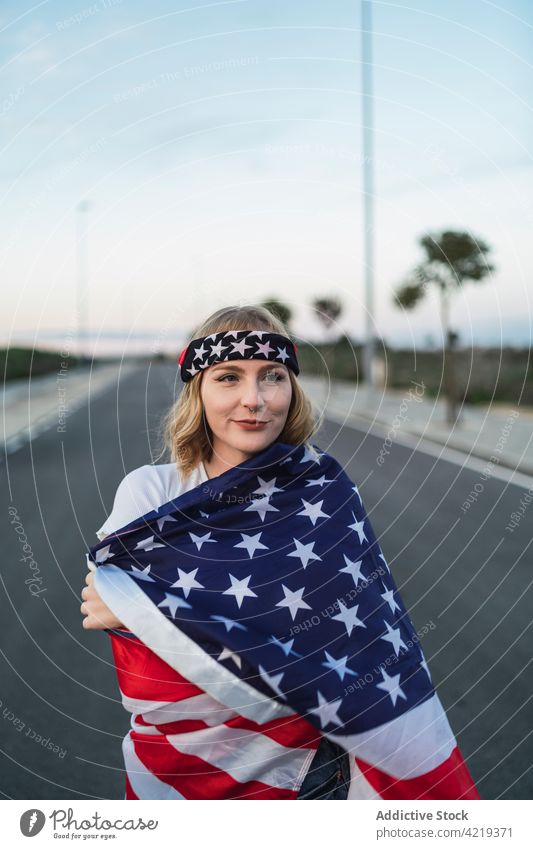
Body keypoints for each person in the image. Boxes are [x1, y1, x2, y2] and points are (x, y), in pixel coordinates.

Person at [80, 304, 480, 801]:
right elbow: (103, 607)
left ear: (292, 388)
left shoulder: (322, 486)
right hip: (182, 763)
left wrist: (159, 607)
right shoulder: (152, 493)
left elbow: (366, 625)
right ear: (197, 393)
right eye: (228, 378)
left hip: (310, 767)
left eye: (272, 376)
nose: (254, 399)